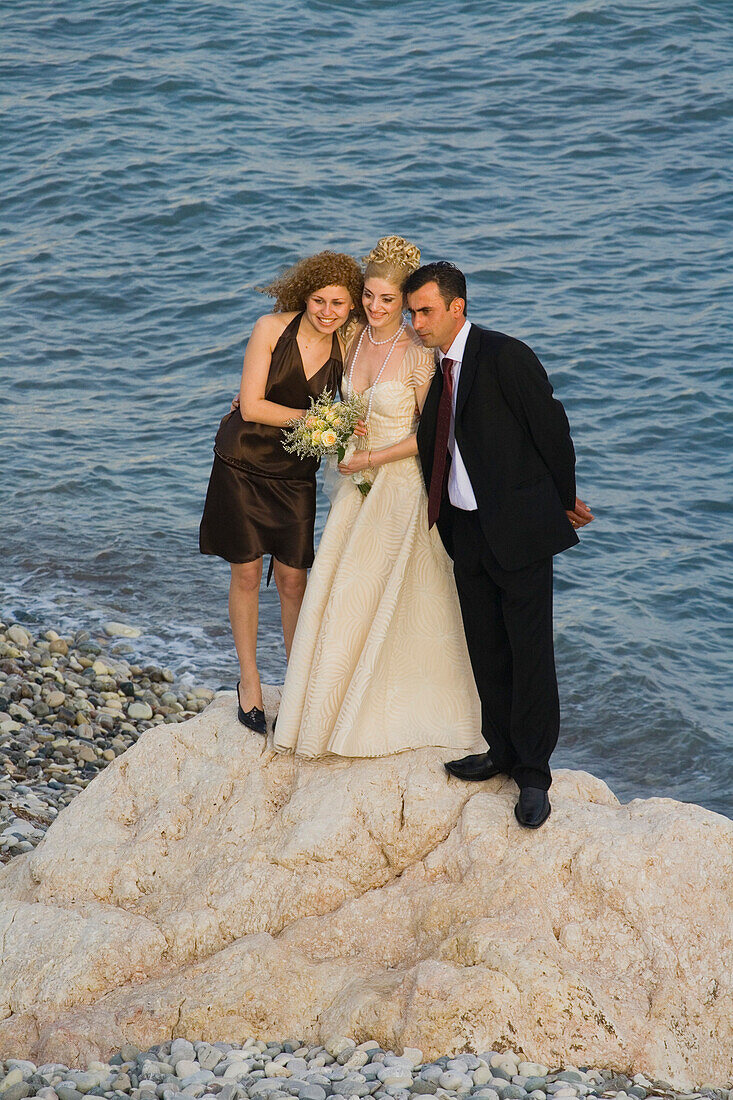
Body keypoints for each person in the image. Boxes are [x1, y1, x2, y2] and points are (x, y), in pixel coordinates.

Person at [273, 237, 481, 758]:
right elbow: (296, 341)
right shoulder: (350, 337)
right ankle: (326, 714)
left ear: (405, 300)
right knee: (341, 596)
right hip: (352, 487)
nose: (375, 307)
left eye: (388, 300)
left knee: (394, 601)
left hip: (397, 486)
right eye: (368, 295)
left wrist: (369, 458)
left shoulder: (418, 352)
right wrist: (259, 394)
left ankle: (386, 718)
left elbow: (431, 433)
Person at [406, 261, 594, 829]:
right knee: (486, 647)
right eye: (412, 312)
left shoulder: (506, 356)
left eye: (425, 311)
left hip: (520, 530)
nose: (416, 322)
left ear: (456, 307)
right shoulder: (440, 371)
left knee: (530, 652)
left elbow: (552, 430)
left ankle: (534, 774)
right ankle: (501, 751)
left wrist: (562, 503)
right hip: (467, 532)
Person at [199, 251, 363, 735]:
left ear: (352, 307)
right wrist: (316, 421)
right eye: (319, 300)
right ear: (305, 295)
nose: (327, 312)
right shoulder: (271, 328)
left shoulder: (348, 342)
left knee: (295, 579)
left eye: (339, 303)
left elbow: (391, 356)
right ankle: (249, 681)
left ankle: (299, 683)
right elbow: (250, 406)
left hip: (296, 472)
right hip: (243, 463)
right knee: (247, 573)